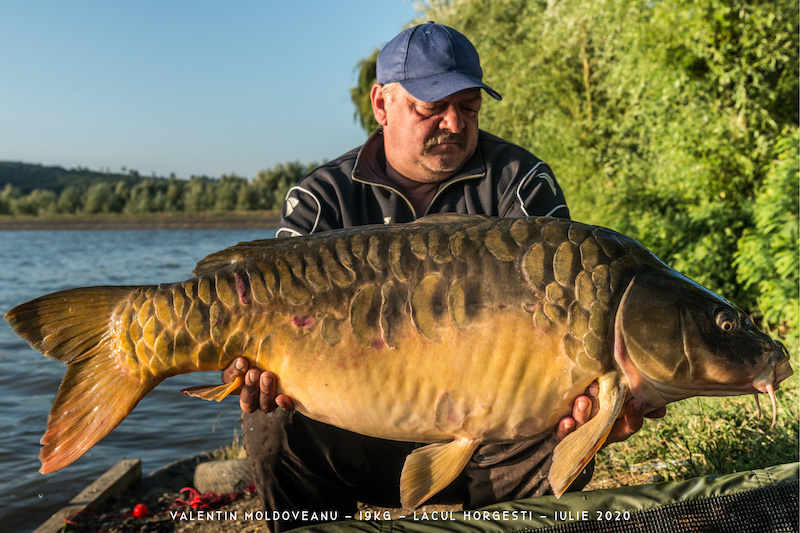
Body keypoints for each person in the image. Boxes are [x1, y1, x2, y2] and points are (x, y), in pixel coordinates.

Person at [222, 22, 665, 532]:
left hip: (496, 448)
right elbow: (267, 320)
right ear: (381, 104)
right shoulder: (324, 199)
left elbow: (576, 324)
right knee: (271, 414)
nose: (455, 124)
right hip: (363, 431)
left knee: (567, 409)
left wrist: (610, 405)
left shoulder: (520, 183)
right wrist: (251, 367)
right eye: (431, 107)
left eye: (469, 108)